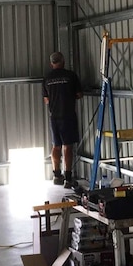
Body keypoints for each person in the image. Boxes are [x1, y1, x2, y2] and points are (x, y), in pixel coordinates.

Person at [43, 51, 82, 186]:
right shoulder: (70, 76)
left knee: (56, 146)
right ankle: (68, 178)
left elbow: (46, 99)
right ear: (63, 61)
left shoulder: (47, 78)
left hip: (54, 116)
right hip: (68, 115)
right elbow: (78, 94)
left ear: (51, 63)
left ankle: (56, 175)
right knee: (68, 146)